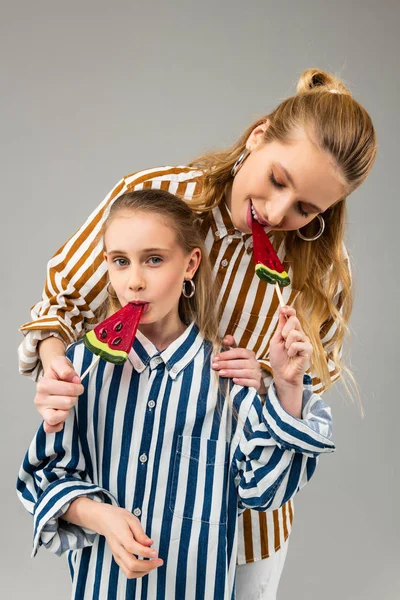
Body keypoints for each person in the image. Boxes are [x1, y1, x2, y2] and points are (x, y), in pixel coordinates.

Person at [18, 68, 376, 599]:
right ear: (258, 136)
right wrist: (55, 363)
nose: (278, 214)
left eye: (307, 209)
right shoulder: (156, 195)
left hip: (247, 521)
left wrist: (272, 381)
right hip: (125, 494)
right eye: (278, 180)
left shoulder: (323, 271)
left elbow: (307, 394)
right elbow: (61, 307)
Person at [17, 189, 334, 599]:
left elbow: (265, 491)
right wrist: (100, 516)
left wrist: (289, 388)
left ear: (190, 264)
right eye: (120, 261)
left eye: (154, 259)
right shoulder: (81, 367)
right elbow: (46, 477)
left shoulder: (229, 375)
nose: (134, 280)